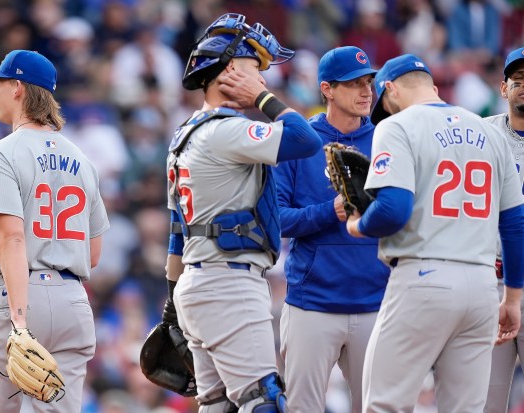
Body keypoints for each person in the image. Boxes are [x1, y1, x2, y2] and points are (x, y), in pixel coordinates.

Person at [346, 53, 524, 412]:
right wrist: (513, 298)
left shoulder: (397, 126)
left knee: (385, 404)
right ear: (432, 85)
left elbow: (392, 211)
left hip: (424, 276)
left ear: (390, 89)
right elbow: (514, 223)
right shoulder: (488, 131)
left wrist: (357, 224)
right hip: (482, 285)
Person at [164, 13, 322, 412]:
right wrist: (263, 101)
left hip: (196, 287)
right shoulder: (226, 130)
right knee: (263, 402)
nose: (262, 80)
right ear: (231, 69)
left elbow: (176, 232)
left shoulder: (184, 135)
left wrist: (172, 302)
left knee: (218, 406)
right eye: (255, 69)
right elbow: (306, 139)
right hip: (228, 284)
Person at [0, 50, 110, 412]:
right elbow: (92, 255)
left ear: (17, 87)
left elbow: (12, 237)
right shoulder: (83, 160)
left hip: (17, 298)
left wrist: (18, 317)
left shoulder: (0, 153)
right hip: (73, 302)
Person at [274, 46, 389, 413]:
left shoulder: (387, 139)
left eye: (368, 82)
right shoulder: (299, 140)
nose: (366, 92)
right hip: (313, 303)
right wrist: (332, 210)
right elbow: (277, 219)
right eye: (354, 84)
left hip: (376, 300)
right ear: (327, 89)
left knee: (378, 408)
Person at [484, 46, 524, 413]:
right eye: (518, 79)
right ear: (503, 87)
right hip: (490, 281)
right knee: (485, 401)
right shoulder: (483, 135)